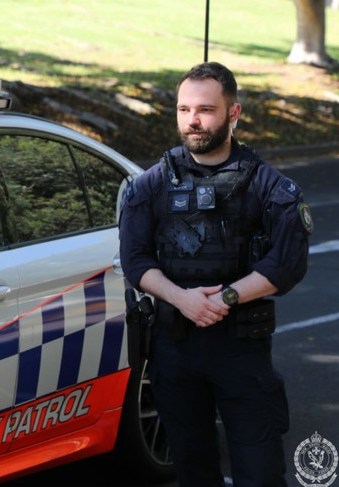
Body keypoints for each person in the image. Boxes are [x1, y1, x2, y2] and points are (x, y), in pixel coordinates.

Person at [119, 62, 311, 486]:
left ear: (234, 112)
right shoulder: (150, 184)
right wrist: (183, 300)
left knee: (259, 472)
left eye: (206, 109)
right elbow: (134, 260)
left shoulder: (266, 183)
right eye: (184, 109)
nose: (193, 121)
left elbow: (288, 262)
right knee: (192, 470)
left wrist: (224, 299)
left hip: (240, 349)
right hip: (174, 348)